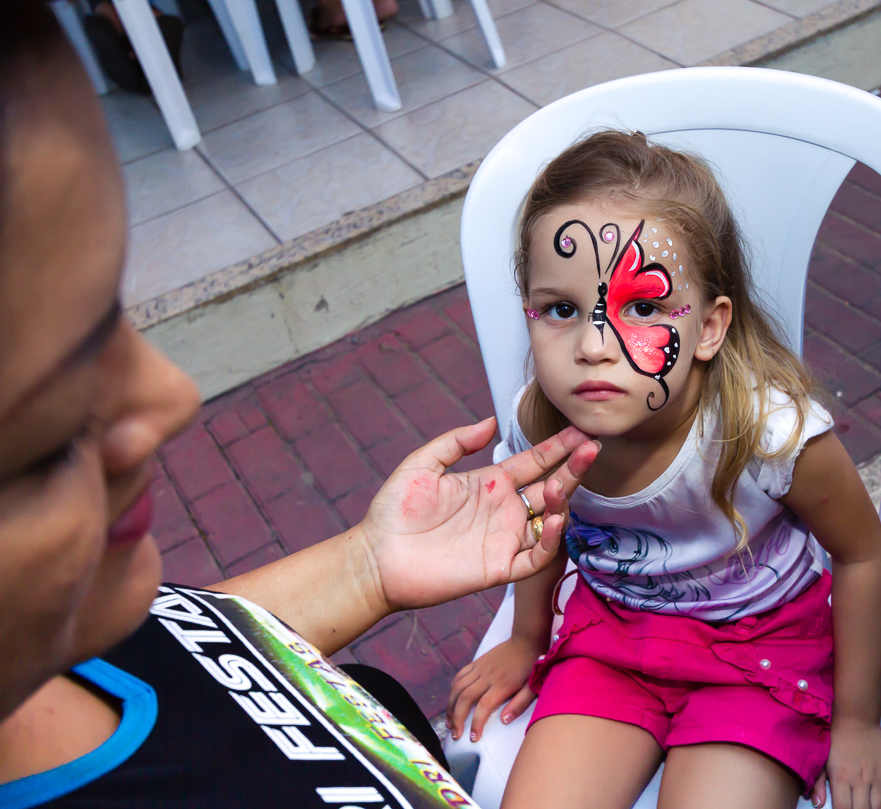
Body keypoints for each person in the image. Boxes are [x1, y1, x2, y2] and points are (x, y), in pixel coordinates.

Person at [0, 5, 600, 807]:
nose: (173, 397)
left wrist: (365, 566)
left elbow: (188, 653)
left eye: (115, 315)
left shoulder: (62, 624)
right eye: (48, 434)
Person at [446, 131, 881, 809]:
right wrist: (526, 637)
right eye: (562, 309)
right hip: (611, 640)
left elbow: (861, 554)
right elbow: (542, 525)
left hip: (759, 650)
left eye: (642, 307)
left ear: (709, 328)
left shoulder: (769, 433)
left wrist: (858, 720)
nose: (594, 345)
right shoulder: (538, 424)